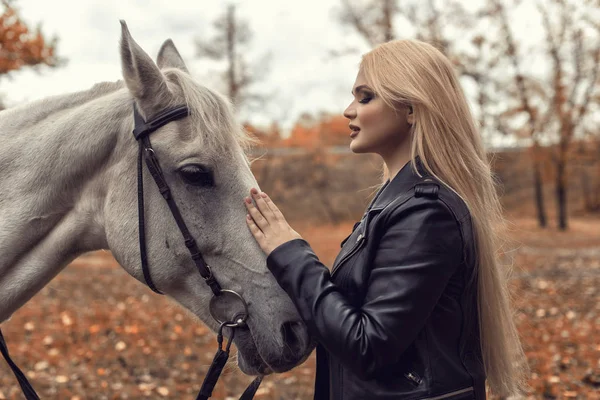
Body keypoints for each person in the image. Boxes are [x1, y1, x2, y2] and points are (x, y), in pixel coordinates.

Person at [244, 39, 528, 400]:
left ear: (410, 108)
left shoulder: (427, 212)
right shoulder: (396, 202)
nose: (349, 111)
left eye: (365, 98)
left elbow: (368, 347)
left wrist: (291, 253)